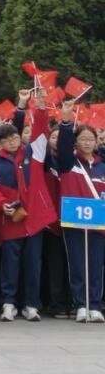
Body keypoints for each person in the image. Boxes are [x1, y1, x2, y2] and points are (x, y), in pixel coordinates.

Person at [0, 89, 55, 322]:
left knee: (33, 263)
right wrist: (2, 204)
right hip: (12, 217)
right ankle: (9, 303)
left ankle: (31, 304)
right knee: (10, 263)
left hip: (34, 217)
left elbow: (42, 131)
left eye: (15, 138)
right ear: (0, 143)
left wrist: (41, 107)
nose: (12, 142)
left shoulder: (33, 153)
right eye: (7, 140)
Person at [55, 98, 105, 323]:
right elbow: (64, 145)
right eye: (82, 139)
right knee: (77, 263)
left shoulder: (102, 165)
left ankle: (94, 304)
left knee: (96, 263)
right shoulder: (69, 163)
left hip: (98, 222)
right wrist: (65, 120)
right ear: (75, 143)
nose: (86, 143)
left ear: (96, 142)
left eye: (90, 139)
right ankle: (80, 304)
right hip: (74, 221)